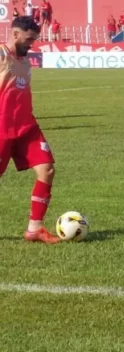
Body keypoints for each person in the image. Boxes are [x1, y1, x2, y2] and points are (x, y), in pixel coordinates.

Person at [0, 17, 59, 244]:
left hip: (26, 126)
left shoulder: (25, 61)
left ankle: (35, 228)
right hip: (2, 127)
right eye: (29, 39)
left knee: (47, 170)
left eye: (34, 39)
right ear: (15, 34)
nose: (32, 43)